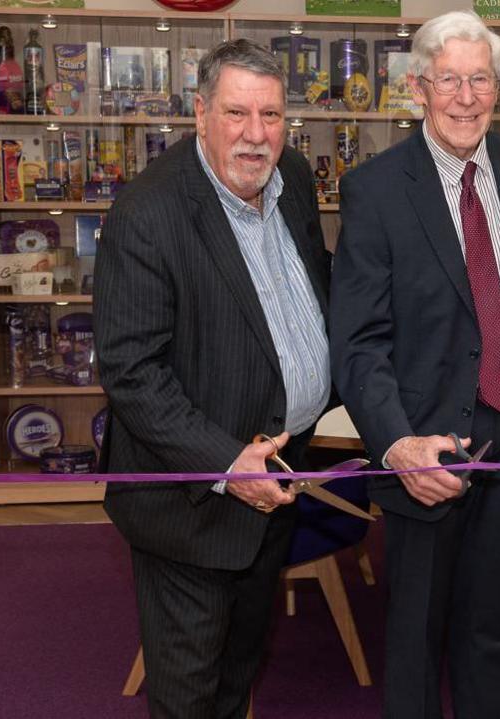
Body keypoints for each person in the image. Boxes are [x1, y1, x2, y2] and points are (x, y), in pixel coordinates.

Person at [329, 10, 500, 718]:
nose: (468, 97)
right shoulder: (375, 190)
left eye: (482, 80)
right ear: (419, 89)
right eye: (451, 81)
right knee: (413, 639)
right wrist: (397, 443)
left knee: (489, 629)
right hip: (421, 447)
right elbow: (357, 342)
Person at [94, 39, 331, 719]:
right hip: (193, 504)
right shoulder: (149, 214)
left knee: (239, 674)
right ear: (200, 114)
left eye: (272, 115)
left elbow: (310, 292)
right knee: (191, 695)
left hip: (278, 479)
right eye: (236, 114)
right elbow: (132, 372)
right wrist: (228, 462)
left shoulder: (292, 179)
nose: (257, 136)